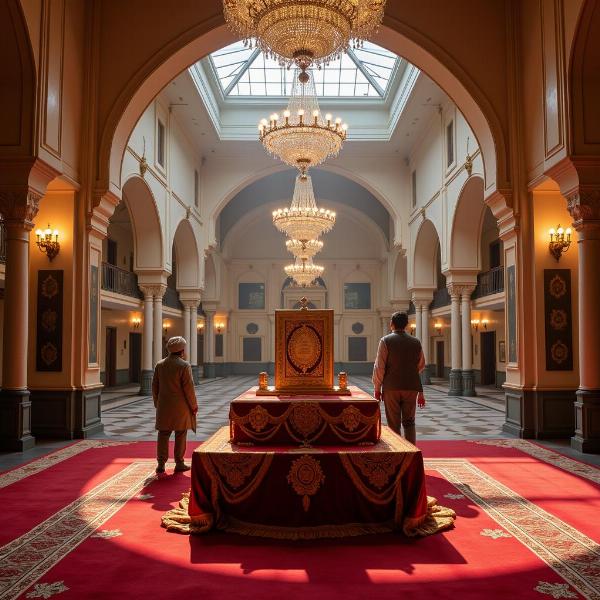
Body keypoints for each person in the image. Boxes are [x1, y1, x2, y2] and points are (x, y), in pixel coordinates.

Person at [372, 311, 426, 445]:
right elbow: (421, 364)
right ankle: (411, 451)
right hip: (411, 387)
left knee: (393, 423)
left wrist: (377, 388)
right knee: (409, 422)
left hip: (391, 388)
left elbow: (380, 366)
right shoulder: (416, 342)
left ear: (392, 324)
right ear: (407, 325)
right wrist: (408, 372)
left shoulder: (385, 341)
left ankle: (398, 452)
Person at [152, 336, 198, 473]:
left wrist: (157, 403)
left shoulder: (160, 364)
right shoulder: (184, 365)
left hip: (164, 406)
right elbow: (189, 388)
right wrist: (194, 405)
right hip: (181, 407)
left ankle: (161, 463)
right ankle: (179, 463)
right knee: (180, 433)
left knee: (163, 433)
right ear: (182, 351)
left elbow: (155, 386)